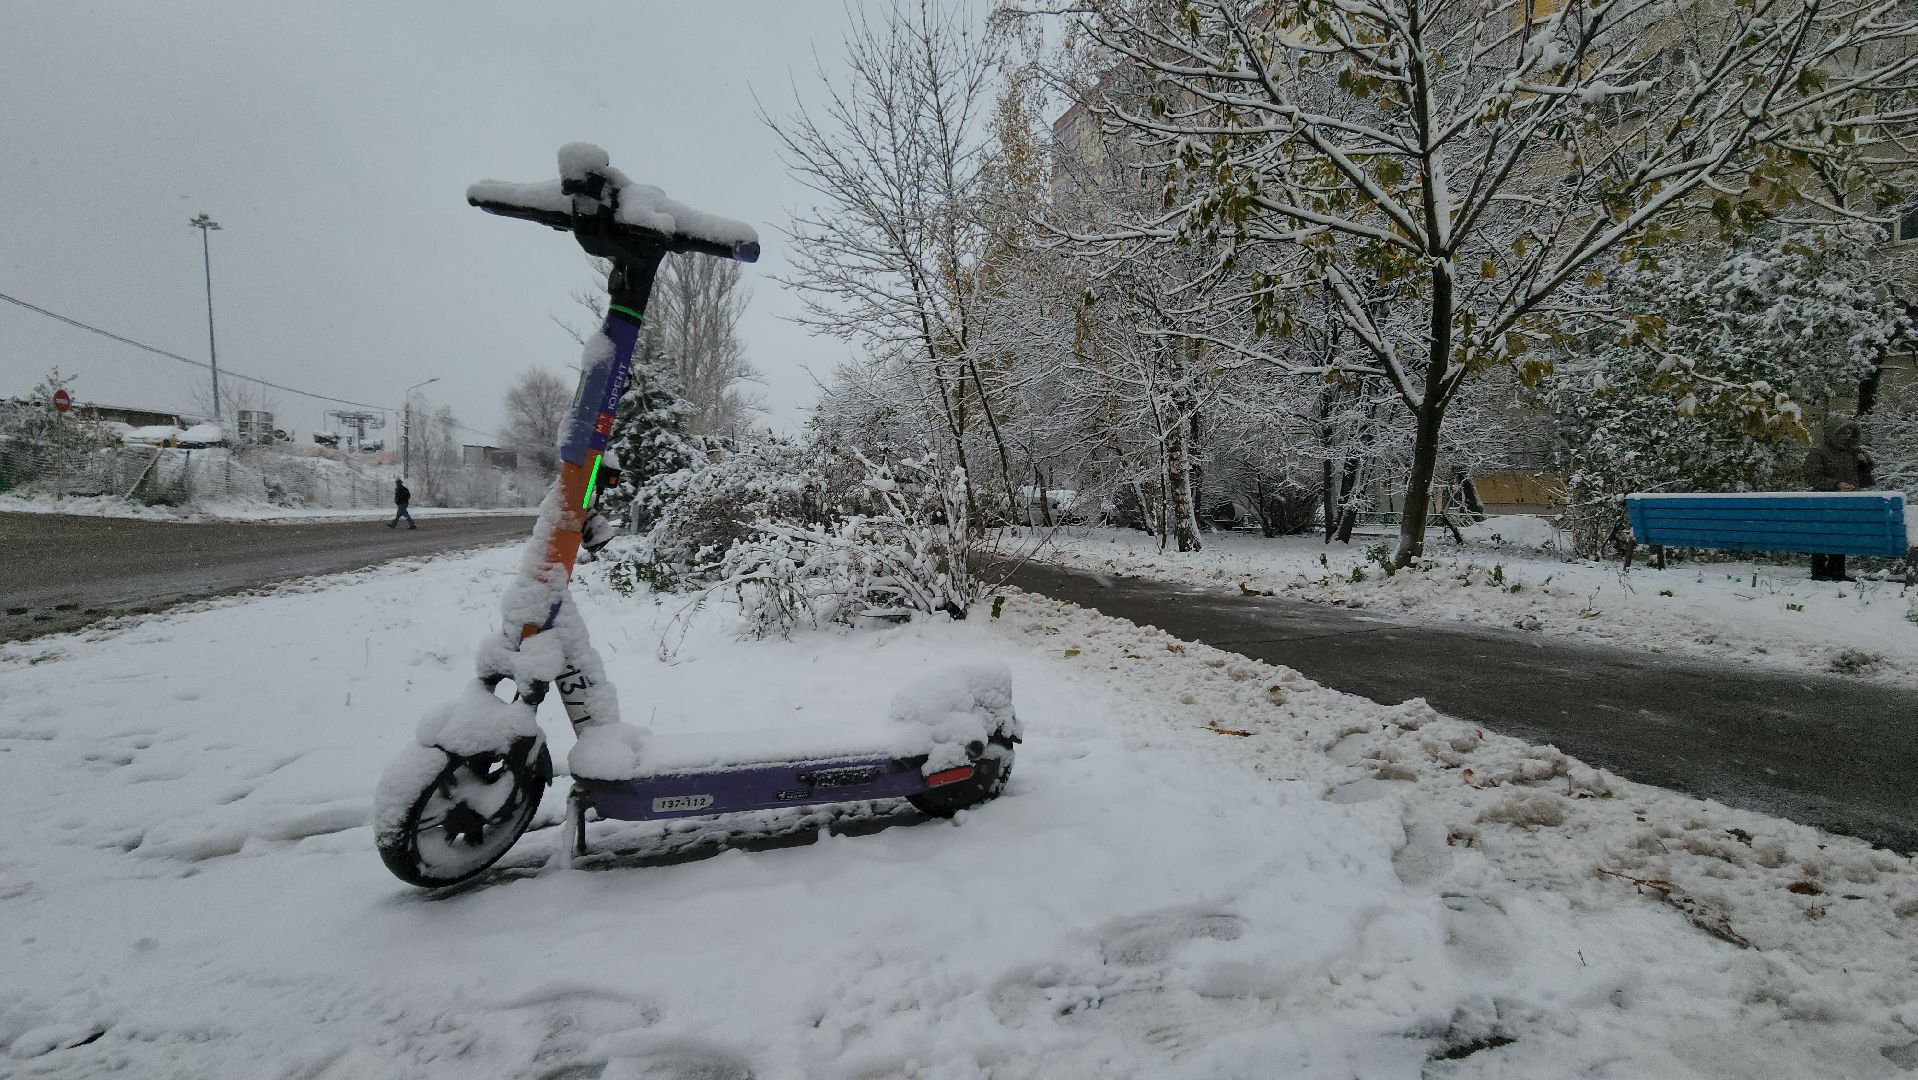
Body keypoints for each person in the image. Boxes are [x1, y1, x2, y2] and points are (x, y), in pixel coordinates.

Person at [1802, 417, 1874, 581]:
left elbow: (1865, 481)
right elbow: (1812, 477)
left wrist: (1865, 464)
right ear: (1832, 433)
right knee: (1822, 533)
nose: (1846, 436)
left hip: (1847, 502)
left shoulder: (1854, 452)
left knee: (1841, 533)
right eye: (1842, 433)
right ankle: (1819, 571)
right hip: (1824, 502)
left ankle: (1836, 570)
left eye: (1849, 432)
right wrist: (1836, 484)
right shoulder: (1819, 452)